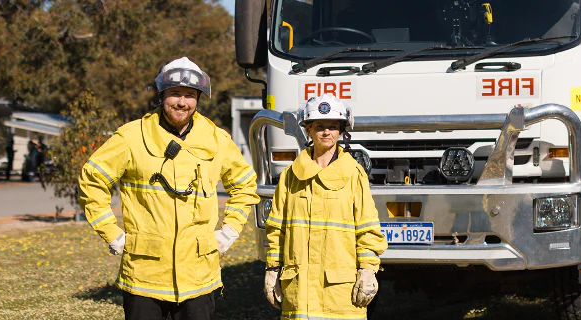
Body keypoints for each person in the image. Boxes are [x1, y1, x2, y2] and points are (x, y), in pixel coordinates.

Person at [78, 57, 259, 320]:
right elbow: (92, 179)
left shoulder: (217, 140)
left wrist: (229, 232)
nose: (182, 102)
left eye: (189, 95)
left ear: (198, 99)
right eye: (175, 94)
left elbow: (244, 186)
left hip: (199, 276)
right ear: (162, 95)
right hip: (144, 276)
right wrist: (113, 235)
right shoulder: (131, 137)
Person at [263, 94, 388, 319]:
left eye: (333, 126)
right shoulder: (290, 176)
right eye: (319, 126)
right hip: (299, 289)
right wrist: (272, 269)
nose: (326, 132)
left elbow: (368, 228)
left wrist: (368, 270)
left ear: (341, 132)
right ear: (308, 130)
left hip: (339, 291)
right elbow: (276, 228)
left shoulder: (353, 174)